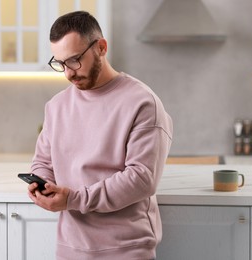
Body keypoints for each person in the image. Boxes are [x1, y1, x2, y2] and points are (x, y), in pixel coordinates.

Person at [27, 10, 173, 260]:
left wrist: (74, 199)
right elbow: (43, 161)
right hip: (70, 248)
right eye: (60, 64)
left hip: (126, 250)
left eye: (74, 60)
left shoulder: (142, 102)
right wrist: (39, 183)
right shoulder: (57, 106)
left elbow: (141, 179)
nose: (68, 73)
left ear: (101, 48)